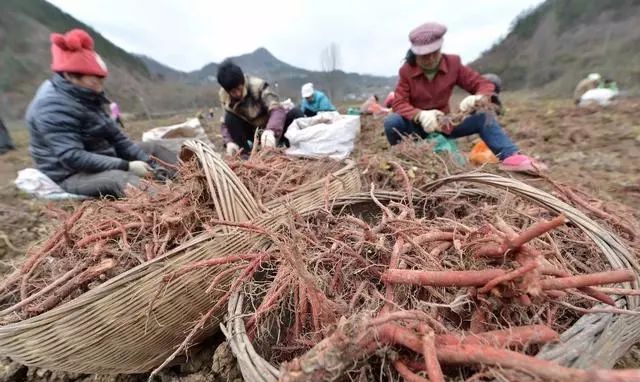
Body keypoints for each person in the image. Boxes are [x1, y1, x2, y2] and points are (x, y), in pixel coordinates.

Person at [26, 28, 176, 198]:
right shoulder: (51, 107)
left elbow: (117, 139)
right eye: (94, 80)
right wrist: (126, 165)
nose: (99, 86)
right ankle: (170, 205)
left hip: (100, 154)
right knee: (119, 178)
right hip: (71, 173)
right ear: (70, 76)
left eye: (101, 79)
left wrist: (151, 164)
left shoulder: (87, 95)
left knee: (152, 147)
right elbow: (73, 156)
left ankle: (189, 178)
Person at [384, 22, 544, 173]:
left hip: (445, 123)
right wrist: (419, 115)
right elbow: (399, 103)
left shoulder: (453, 63)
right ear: (415, 54)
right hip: (418, 127)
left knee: (484, 116)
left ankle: (510, 156)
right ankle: (404, 160)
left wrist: (478, 97)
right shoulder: (407, 71)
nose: (431, 59)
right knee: (393, 121)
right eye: (425, 56)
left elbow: (481, 83)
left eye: (434, 53)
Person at [217, 60, 304, 156]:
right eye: (233, 92)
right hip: (255, 132)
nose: (237, 94)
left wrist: (271, 130)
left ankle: (293, 147)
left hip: (274, 128)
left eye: (239, 89)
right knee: (229, 118)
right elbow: (225, 122)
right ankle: (245, 155)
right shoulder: (225, 96)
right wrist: (229, 141)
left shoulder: (258, 86)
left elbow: (276, 108)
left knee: (296, 113)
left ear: (243, 82)